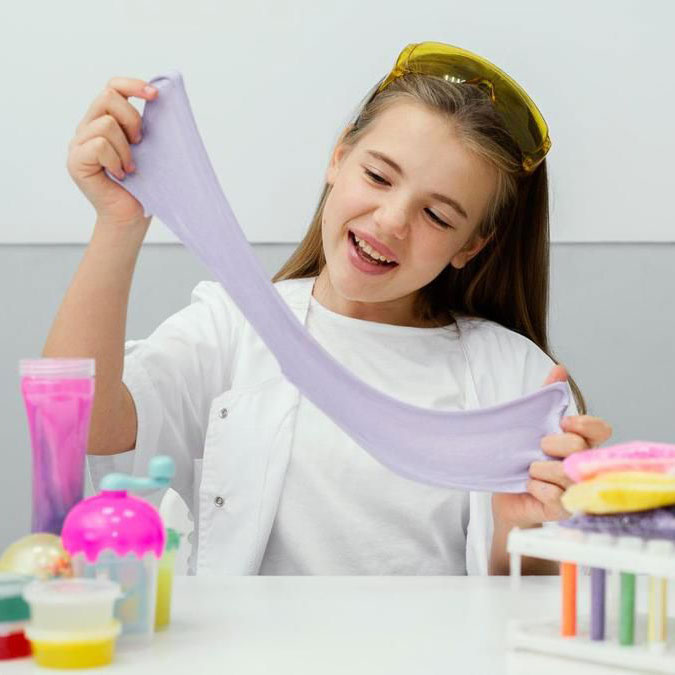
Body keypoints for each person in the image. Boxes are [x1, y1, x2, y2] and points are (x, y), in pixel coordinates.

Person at [44, 41, 612, 576]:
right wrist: (117, 225)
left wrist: (524, 532)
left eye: (437, 216)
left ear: (471, 245)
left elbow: (529, 605)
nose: (391, 220)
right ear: (339, 158)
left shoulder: (518, 381)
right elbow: (78, 425)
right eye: (378, 176)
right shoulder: (234, 327)